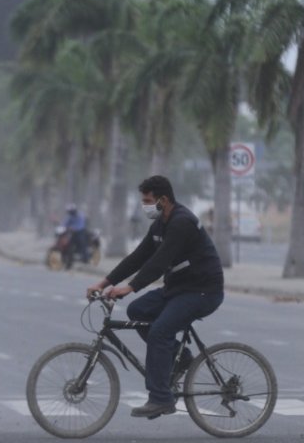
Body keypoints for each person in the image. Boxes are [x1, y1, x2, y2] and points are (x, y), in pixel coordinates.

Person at [86, 175, 225, 419]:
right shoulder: (160, 224)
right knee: (137, 311)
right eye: (143, 201)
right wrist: (104, 282)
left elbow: (159, 262)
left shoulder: (182, 222)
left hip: (202, 291)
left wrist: (130, 288)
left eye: (148, 200)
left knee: (160, 331)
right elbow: (138, 257)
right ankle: (179, 358)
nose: (145, 206)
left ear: (163, 199)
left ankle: (161, 399)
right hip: (178, 289)